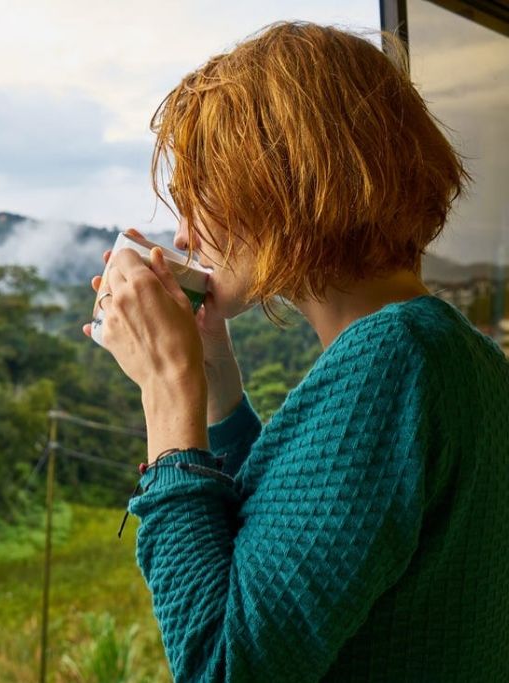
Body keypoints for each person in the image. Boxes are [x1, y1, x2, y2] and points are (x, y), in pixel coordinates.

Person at [81, 21, 509, 682]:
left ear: (282, 185)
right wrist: (213, 374)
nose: (188, 231)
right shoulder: (452, 353)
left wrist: (168, 391)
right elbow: (297, 537)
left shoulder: (393, 361)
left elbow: (221, 664)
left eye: (204, 196)